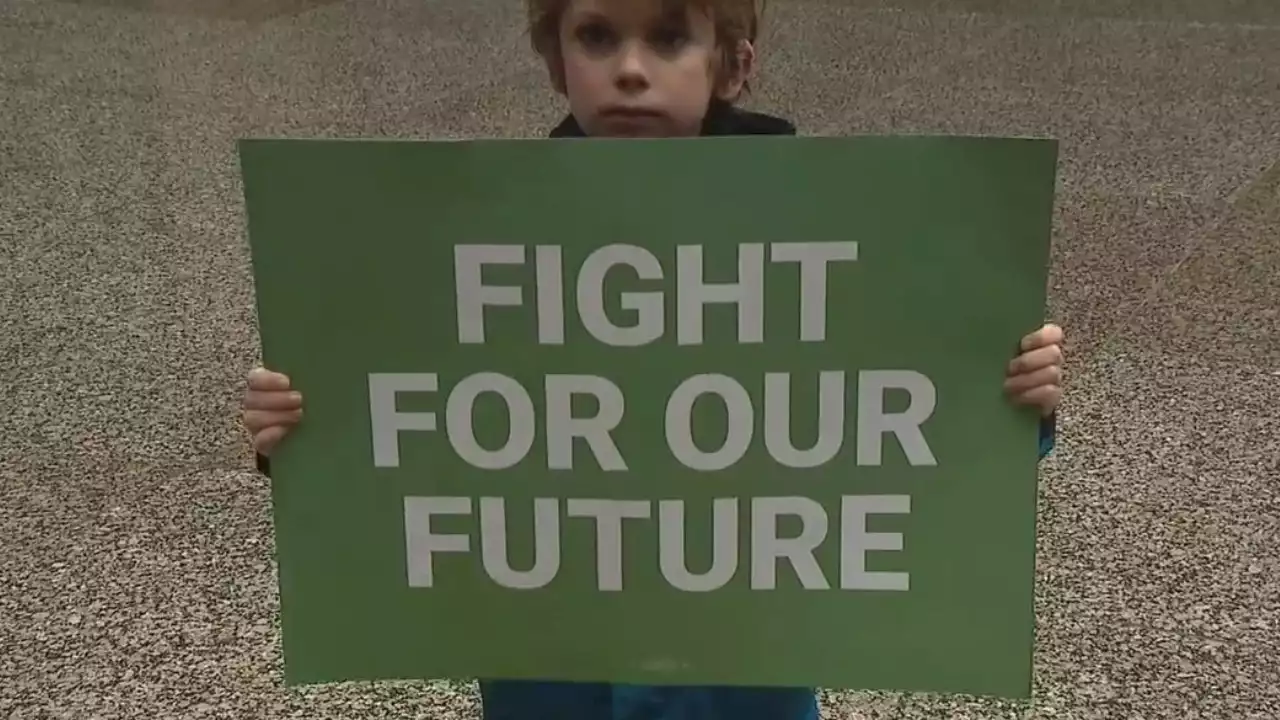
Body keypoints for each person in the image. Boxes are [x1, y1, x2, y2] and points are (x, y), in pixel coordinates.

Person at [241, 0, 1066, 717]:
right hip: (552, 677)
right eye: (597, 36)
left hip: (743, 684)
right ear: (554, 63)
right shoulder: (476, 245)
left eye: (669, 38)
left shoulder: (830, 236)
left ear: (733, 65)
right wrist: (307, 435)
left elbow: (893, 424)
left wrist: (1013, 398)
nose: (630, 70)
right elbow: (415, 426)